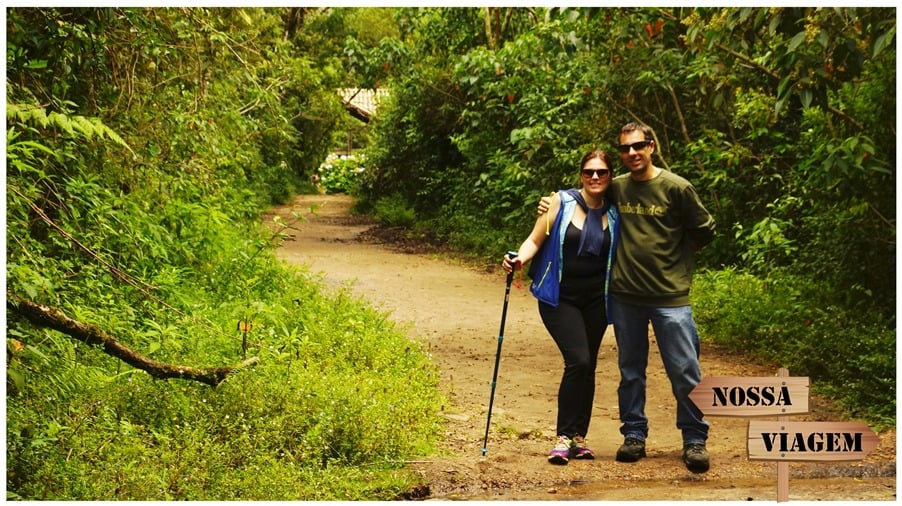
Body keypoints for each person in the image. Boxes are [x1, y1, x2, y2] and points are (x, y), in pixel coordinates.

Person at [537, 122, 715, 473]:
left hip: (670, 297)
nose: (632, 153)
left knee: (684, 371)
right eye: (624, 148)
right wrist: (551, 202)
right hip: (625, 297)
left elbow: (704, 231)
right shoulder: (617, 187)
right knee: (630, 371)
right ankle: (634, 434)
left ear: (652, 146)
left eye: (638, 146)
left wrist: (676, 261)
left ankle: (694, 439)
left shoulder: (676, 187)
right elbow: (584, 192)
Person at [502, 150, 620, 465]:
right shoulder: (559, 203)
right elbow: (534, 240)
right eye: (589, 171)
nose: (595, 177)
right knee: (578, 360)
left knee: (589, 365)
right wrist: (518, 260)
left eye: (602, 172)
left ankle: (580, 437)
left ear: (610, 177)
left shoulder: (616, 213)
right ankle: (564, 436)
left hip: (596, 300)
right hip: (560, 298)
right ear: (581, 174)